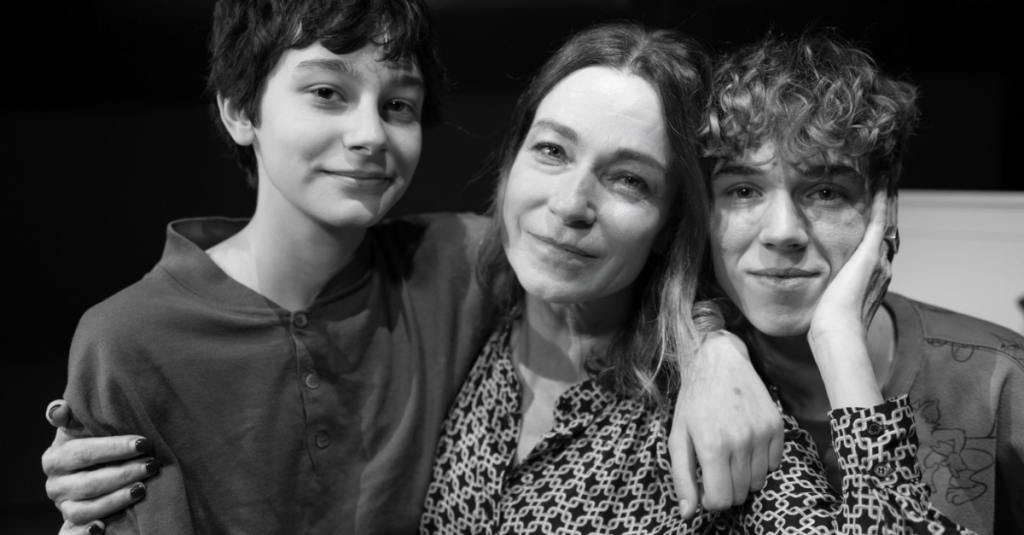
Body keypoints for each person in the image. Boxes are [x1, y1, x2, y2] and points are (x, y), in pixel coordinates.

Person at [39, 1, 782, 533]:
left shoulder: (455, 261)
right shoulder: (127, 338)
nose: (369, 134)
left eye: (399, 105)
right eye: (327, 93)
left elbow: (634, 269)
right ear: (239, 107)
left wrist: (714, 348)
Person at [418, 22, 973, 533]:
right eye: (551, 150)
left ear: (672, 225)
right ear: (512, 160)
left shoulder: (717, 408)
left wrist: (838, 341)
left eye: (629, 180)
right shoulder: (465, 308)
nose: (569, 204)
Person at [700, 32, 1024, 534]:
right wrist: (704, 348)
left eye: (826, 192)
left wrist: (839, 344)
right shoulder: (680, 375)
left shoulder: (1002, 379)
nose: (782, 232)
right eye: (742, 190)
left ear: (884, 207)